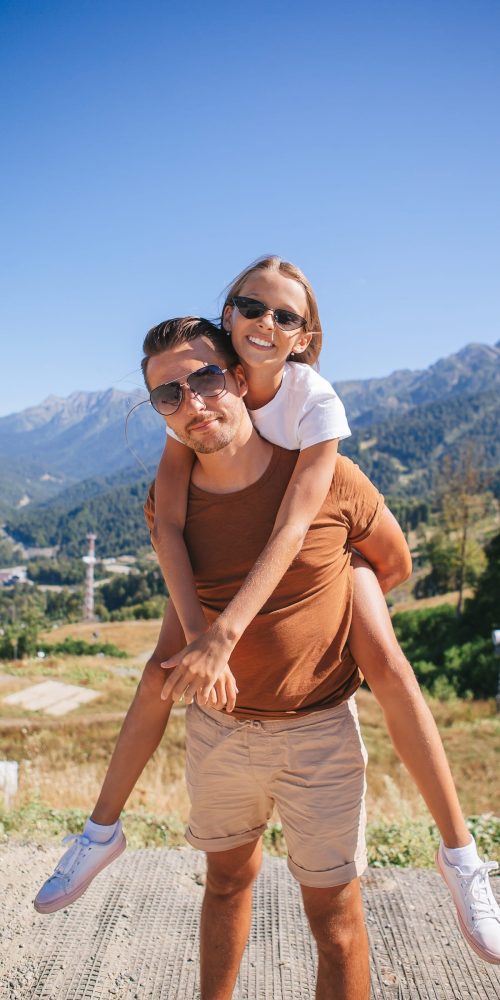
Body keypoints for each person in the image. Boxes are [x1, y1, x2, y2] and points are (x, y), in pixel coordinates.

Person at [34, 258, 500, 969]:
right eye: (169, 394)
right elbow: (166, 526)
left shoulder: (314, 417)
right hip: (222, 730)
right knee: (167, 690)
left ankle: (461, 856)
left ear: (283, 347)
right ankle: (101, 830)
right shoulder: (188, 428)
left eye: (285, 317)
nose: (192, 400)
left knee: (389, 670)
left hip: (318, 723)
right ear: (230, 319)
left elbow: (376, 554)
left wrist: (335, 597)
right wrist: (201, 635)